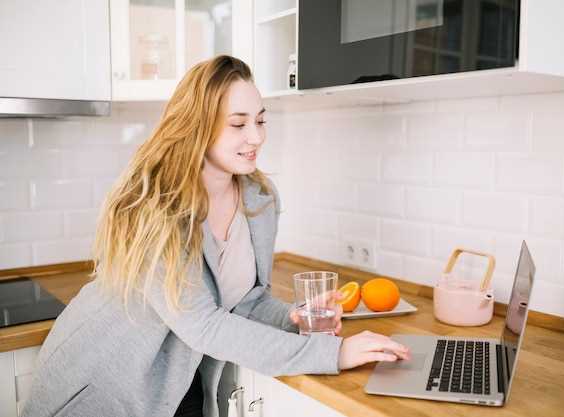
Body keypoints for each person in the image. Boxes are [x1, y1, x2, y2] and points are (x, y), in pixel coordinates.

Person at [20, 55, 410, 417]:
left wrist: (291, 318)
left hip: (181, 382)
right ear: (197, 126)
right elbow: (204, 324)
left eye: (261, 120)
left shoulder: (260, 199)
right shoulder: (156, 206)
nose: (256, 137)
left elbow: (247, 300)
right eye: (239, 124)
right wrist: (333, 353)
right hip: (102, 385)